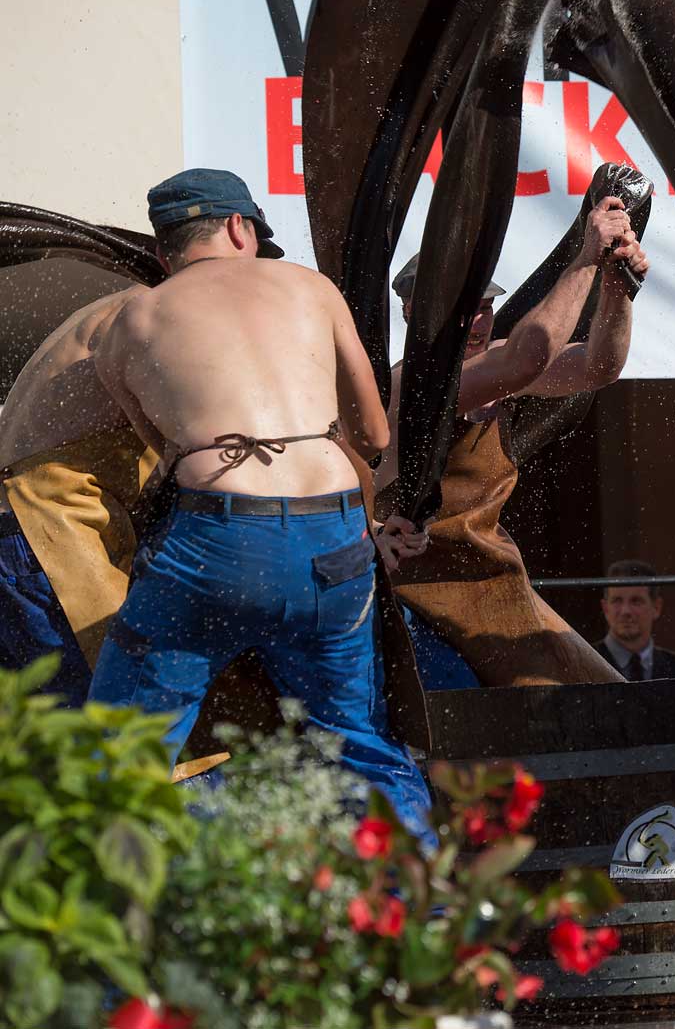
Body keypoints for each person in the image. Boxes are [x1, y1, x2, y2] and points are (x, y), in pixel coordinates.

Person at [86, 168, 431, 832]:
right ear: (241, 228)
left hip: (216, 545)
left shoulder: (130, 321)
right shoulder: (310, 287)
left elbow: (165, 451)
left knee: (121, 749)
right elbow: (376, 435)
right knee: (356, 742)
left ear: (165, 252)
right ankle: (426, 912)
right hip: (329, 544)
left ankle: (121, 917)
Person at [380, 190, 646, 689]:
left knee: (609, 702)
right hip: (419, 597)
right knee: (468, 722)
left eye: (485, 306)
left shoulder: (502, 359)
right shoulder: (411, 384)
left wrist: (616, 288)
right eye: (463, 308)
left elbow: (599, 366)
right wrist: (587, 258)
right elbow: (527, 358)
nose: (477, 321)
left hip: (495, 589)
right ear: (414, 311)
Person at [0, 288, 148, 703]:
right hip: (47, 536)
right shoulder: (163, 312)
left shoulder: (111, 309)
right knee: (134, 720)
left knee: (48, 739)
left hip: (18, 533)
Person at [594, 559, 675, 680]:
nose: (626, 611)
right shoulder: (583, 664)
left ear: (656, 607)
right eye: (617, 600)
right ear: (605, 608)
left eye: (636, 601)